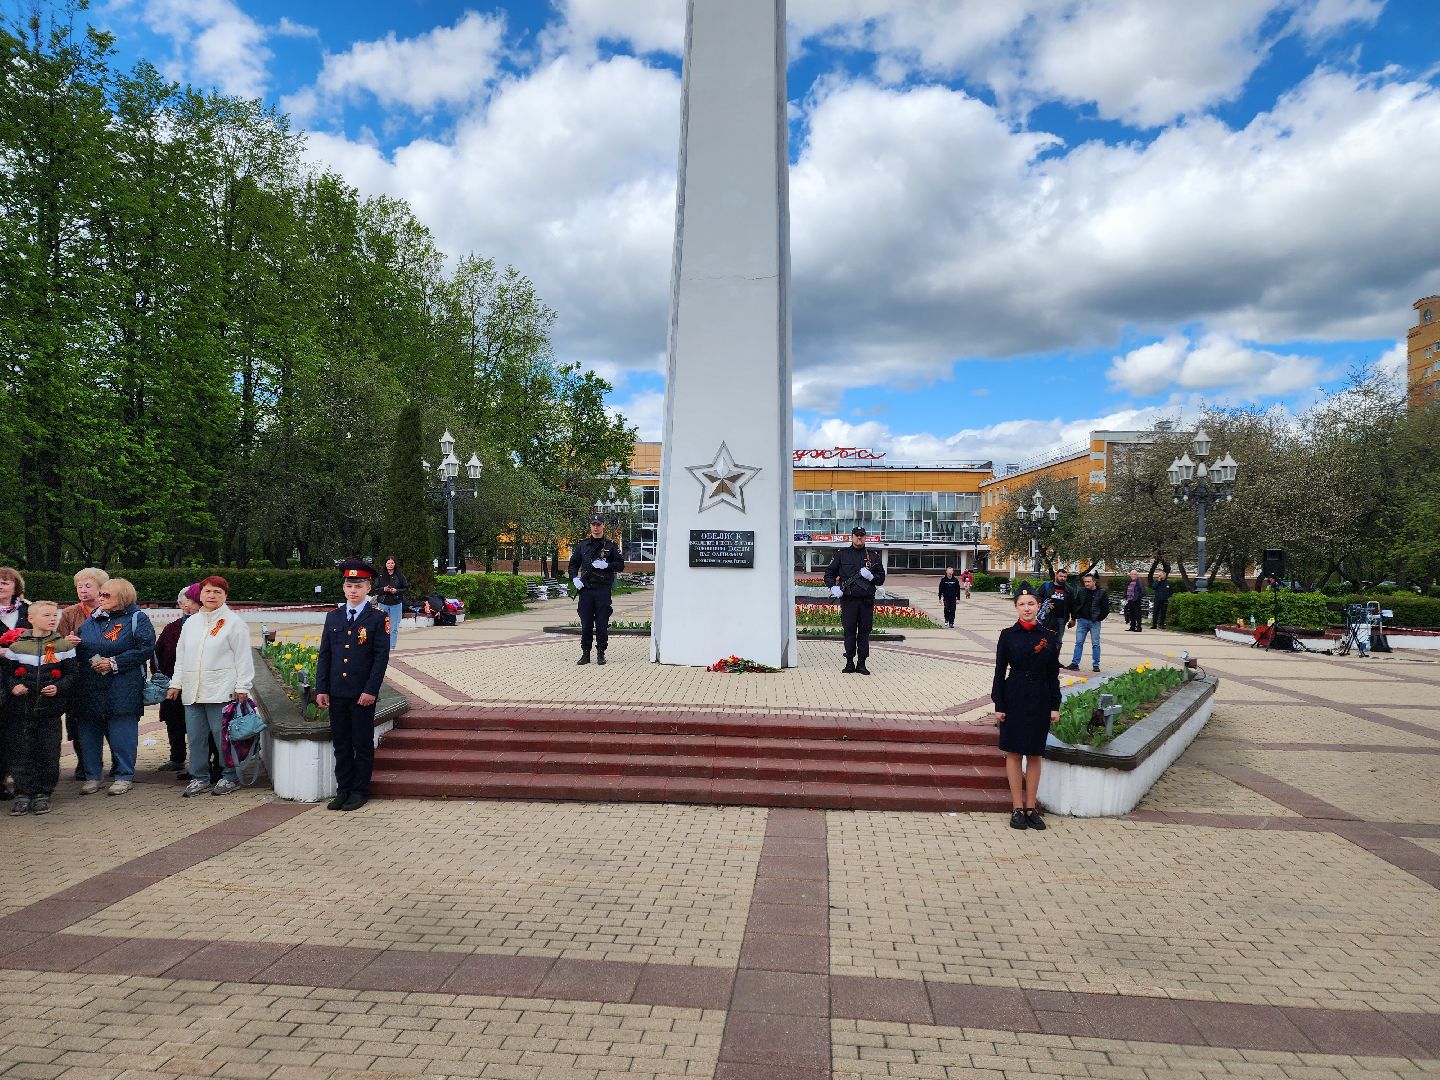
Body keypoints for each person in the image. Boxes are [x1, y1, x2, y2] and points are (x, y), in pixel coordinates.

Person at [316, 560, 391, 812]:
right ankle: (343, 789)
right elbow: (325, 655)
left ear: (368, 587)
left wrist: (371, 690)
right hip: (337, 692)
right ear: (343, 588)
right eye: (349, 586)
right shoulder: (333, 616)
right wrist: (322, 688)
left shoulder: (378, 618)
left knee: (361, 743)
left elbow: (381, 658)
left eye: (358, 586)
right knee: (341, 744)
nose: (353, 591)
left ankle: (359, 791)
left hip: (362, 694)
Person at [167, 576, 252, 798]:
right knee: (195, 737)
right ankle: (199, 777)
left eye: (217, 592)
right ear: (200, 595)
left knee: (222, 737)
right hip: (192, 690)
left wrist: (243, 686)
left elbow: (244, 658)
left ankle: (229, 775)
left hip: (221, 690)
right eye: (207, 592)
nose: (211, 596)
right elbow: (181, 656)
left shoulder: (234, 623)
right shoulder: (192, 623)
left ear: (225, 596)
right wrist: (176, 683)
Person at [74, 578, 155, 795]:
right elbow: (83, 646)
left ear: (123, 596)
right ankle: (93, 776)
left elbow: (145, 648)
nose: (100, 598)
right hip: (90, 684)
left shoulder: (138, 618)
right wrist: (72, 645)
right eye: (100, 594)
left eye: (106, 595)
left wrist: (113, 663)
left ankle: (124, 775)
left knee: (122, 732)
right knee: (89, 731)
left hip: (123, 685)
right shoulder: (92, 619)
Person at [991, 582, 1060, 831]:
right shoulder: (1007, 635)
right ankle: (1017, 808)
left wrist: (1055, 705)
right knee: (1013, 752)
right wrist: (999, 703)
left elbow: (1053, 675)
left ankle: (1032, 808)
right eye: (1022, 604)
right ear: (1016, 608)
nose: (1027, 608)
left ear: (1038, 606)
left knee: (1034, 753)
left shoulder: (1049, 637)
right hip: (1015, 696)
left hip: (1040, 697)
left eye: (1031, 603)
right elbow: (999, 672)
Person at [3, 601, 76, 815]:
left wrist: (59, 687)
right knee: (21, 752)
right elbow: (6, 674)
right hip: (21, 711)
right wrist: (13, 685)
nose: (52, 619)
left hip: (49, 712)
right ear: (31, 619)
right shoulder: (17, 646)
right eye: (46, 615)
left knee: (48, 752)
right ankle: (23, 793)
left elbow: (72, 674)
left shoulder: (63, 646)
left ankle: (43, 793)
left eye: (54, 615)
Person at [59, 568, 108, 777]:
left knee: (107, 717)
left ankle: (116, 762)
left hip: (104, 670)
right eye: (79, 587)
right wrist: (65, 643)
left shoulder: (110, 610)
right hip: (77, 674)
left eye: (88, 586)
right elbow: (55, 643)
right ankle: (84, 762)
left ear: (101, 589)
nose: (83, 590)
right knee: (77, 719)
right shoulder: (70, 613)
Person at [823, 525, 887, 675]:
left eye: (862, 535)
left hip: (866, 602)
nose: (859, 538)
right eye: (857, 535)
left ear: (865, 537)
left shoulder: (873, 556)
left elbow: (881, 578)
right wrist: (833, 588)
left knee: (864, 632)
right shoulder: (842, 555)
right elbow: (829, 574)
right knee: (849, 631)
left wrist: (872, 577)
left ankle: (862, 663)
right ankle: (849, 662)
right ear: (852, 537)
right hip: (849, 600)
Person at [154, 584, 200, 773]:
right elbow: (157, 654)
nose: (186, 605)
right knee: (174, 722)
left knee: (198, 726)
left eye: (191, 601)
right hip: (173, 683)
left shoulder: (205, 626)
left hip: (197, 683)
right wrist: (162, 677)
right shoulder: (172, 628)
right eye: (183, 601)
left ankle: (201, 763)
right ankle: (177, 757)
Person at [568, 516, 624, 666]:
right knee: (586, 624)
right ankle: (585, 653)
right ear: (590, 526)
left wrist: (607, 566)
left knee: (601, 623)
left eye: (598, 524)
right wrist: (574, 579)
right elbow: (573, 564)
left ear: (603, 526)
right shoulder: (583, 545)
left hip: (602, 590)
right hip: (586, 590)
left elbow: (620, 565)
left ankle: (601, 653)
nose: (596, 527)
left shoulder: (611, 545)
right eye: (593, 524)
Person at [0, 566, 30, 800]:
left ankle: (22, 780)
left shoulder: (29, 611)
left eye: (6, 581)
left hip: (24, 678)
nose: (1, 585)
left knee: (19, 732)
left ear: (15, 586)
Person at [1065, 572, 1108, 673]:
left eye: (1088, 582)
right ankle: (1075, 663)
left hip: (1094, 622)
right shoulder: (1082, 591)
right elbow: (1076, 605)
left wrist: (1099, 618)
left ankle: (1096, 664)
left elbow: (1106, 608)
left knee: (1095, 643)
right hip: (1082, 620)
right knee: (1079, 643)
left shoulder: (1101, 592)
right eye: (1085, 582)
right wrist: (1074, 618)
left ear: (1094, 582)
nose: (1086, 584)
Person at [374, 556, 408, 650]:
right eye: (388, 563)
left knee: (394, 628)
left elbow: (405, 589)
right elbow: (375, 589)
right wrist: (383, 589)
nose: (390, 565)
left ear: (395, 564)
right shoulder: (380, 575)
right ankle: (382, 646)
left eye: (392, 563)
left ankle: (392, 647)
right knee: (382, 626)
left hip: (396, 603)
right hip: (383, 603)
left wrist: (396, 590)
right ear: (385, 564)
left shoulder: (400, 575)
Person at [1039, 568, 1072, 654]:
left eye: (1065, 577)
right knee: (1044, 638)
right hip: (1047, 617)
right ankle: (1042, 658)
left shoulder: (1069, 589)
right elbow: (1037, 598)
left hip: (1061, 618)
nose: (1063, 578)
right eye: (1061, 576)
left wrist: (1074, 618)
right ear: (1056, 575)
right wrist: (1045, 604)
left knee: (1058, 640)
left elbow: (1073, 604)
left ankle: (1055, 660)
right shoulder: (1046, 586)